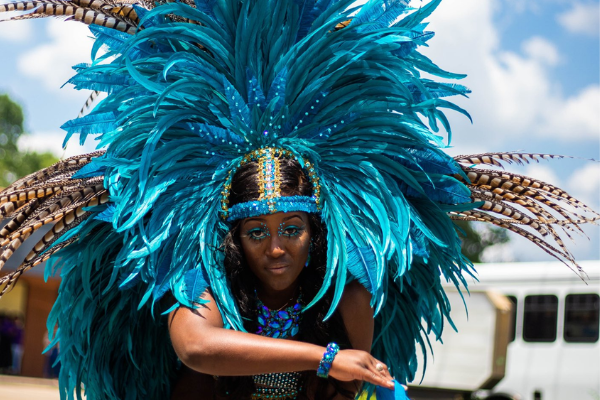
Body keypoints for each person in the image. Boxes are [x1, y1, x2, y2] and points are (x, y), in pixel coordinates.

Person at [0, 1, 597, 400]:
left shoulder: (348, 285)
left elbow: (353, 381)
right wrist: (325, 358)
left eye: (292, 228)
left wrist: (343, 372)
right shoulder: (200, 274)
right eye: (257, 232)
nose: (278, 247)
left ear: (318, 231)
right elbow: (197, 348)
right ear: (232, 237)